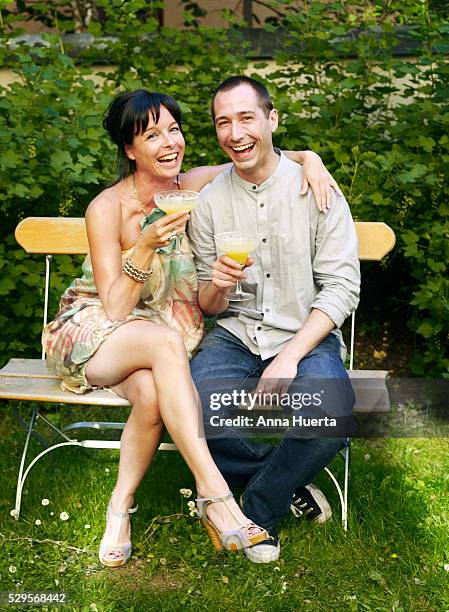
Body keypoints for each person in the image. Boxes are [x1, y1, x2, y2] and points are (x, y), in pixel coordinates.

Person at [42, 89, 340, 567]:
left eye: (174, 130)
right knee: (162, 345)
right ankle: (217, 497)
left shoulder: (193, 184)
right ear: (129, 148)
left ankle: (119, 509)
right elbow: (116, 307)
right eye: (151, 134)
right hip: (97, 331)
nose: (168, 143)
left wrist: (312, 159)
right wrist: (141, 248)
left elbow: (258, 155)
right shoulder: (107, 208)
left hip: (160, 341)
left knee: (154, 396)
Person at [188, 76, 361, 563]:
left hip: (304, 334)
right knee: (191, 404)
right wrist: (218, 284)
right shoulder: (210, 201)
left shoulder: (316, 188)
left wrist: (289, 356)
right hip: (235, 335)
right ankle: (282, 479)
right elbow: (208, 305)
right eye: (224, 122)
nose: (235, 132)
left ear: (272, 119)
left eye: (246, 117)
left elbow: (343, 286)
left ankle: (257, 508)